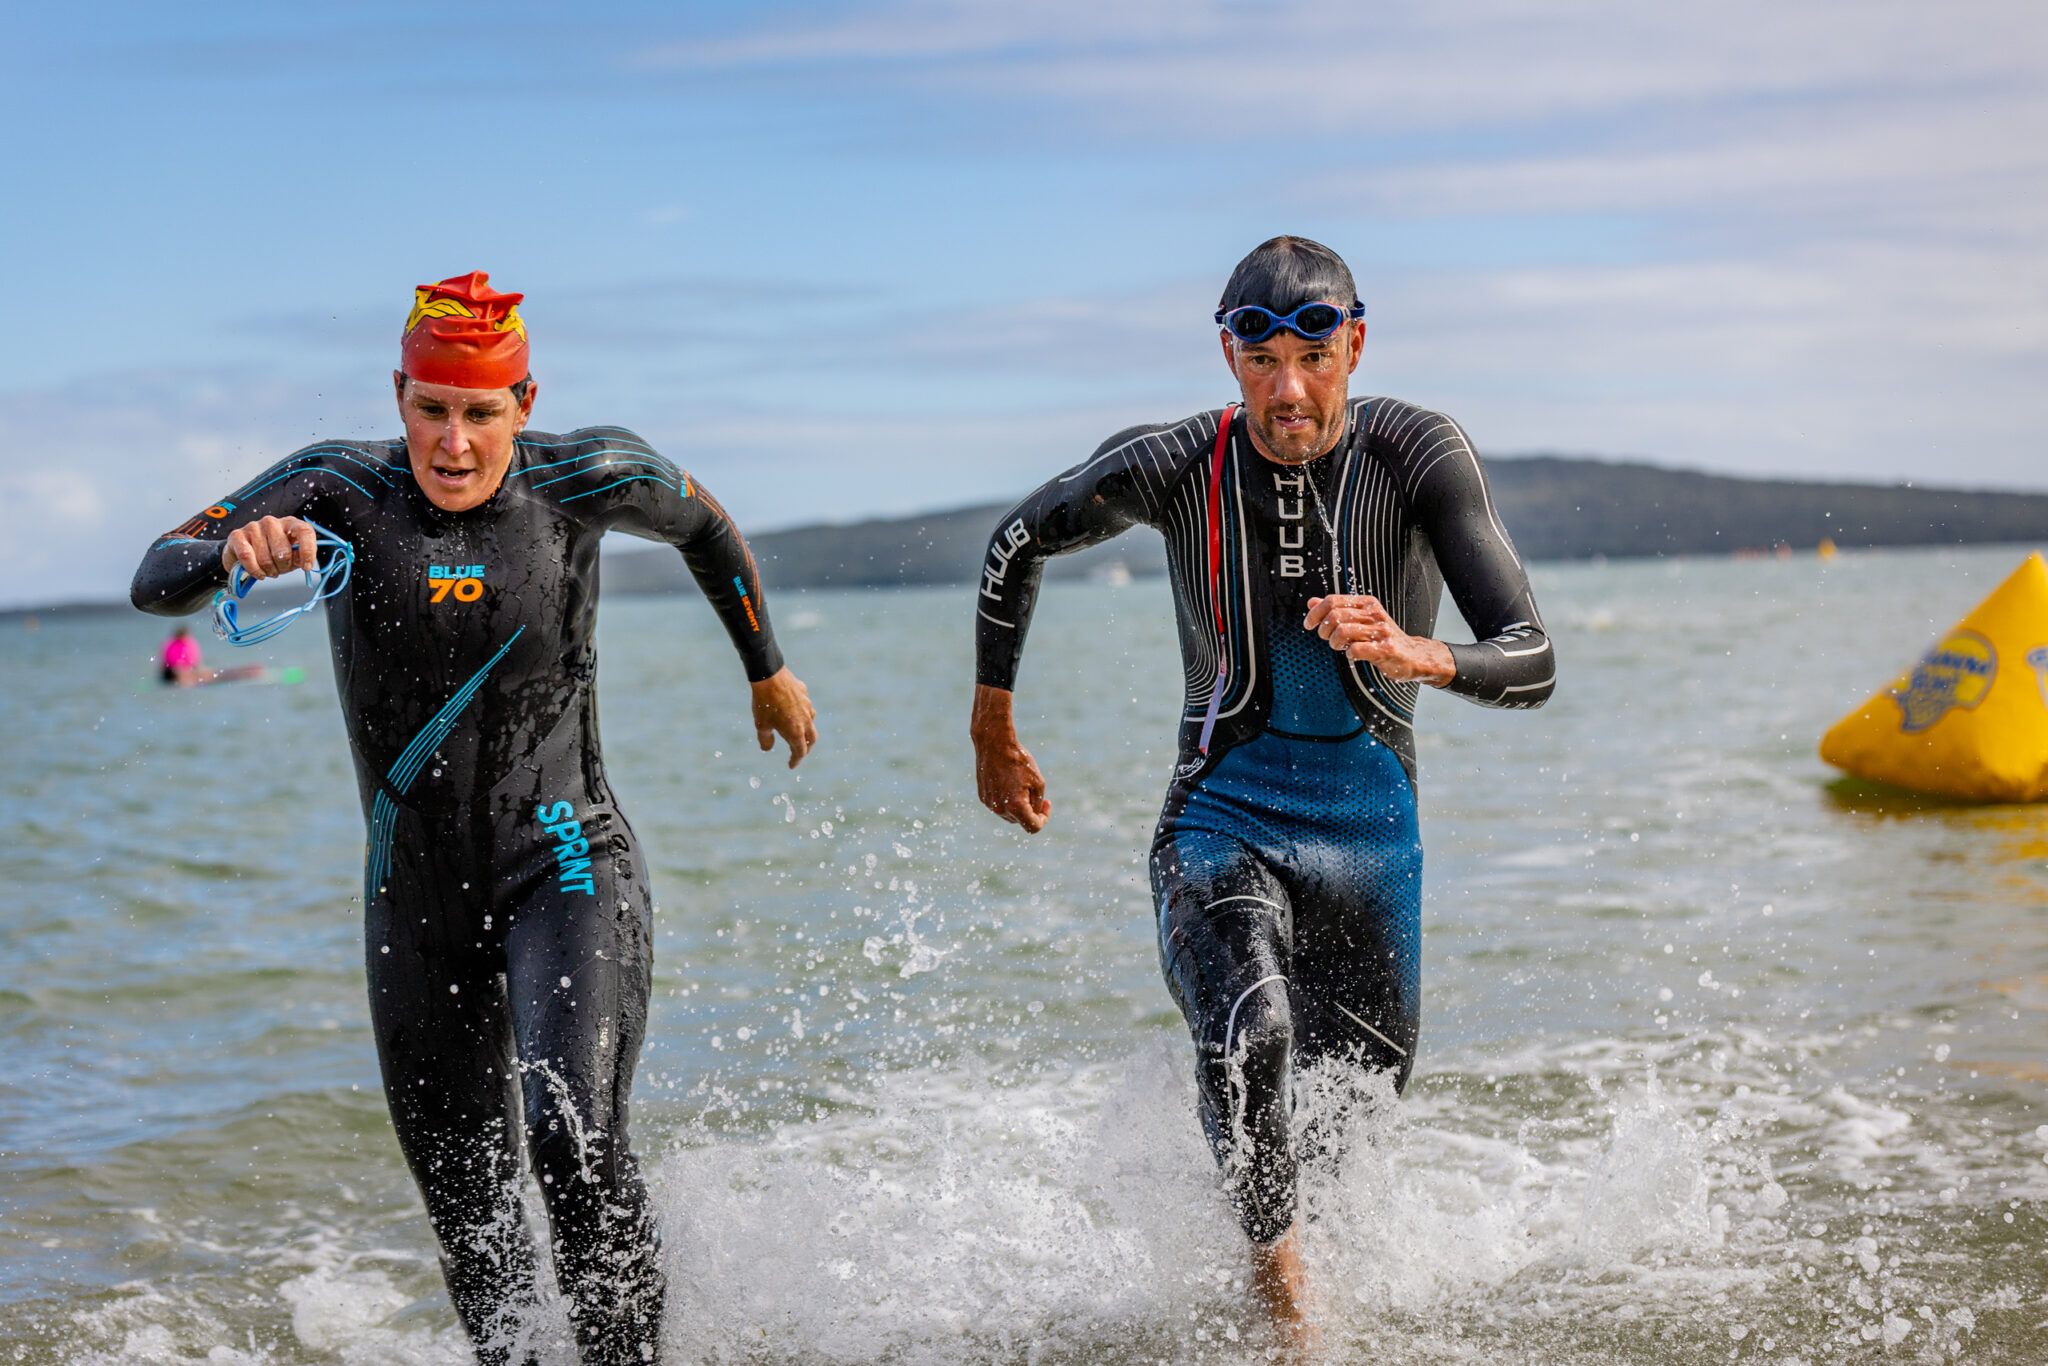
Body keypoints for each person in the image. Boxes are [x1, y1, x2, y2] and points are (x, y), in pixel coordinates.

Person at [131, 271, 818, 1365]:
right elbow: (153, 576)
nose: (453, 444)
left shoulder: (586, 473)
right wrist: (232, 551)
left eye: (481, 413)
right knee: (472, 1219)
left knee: (571, 1132)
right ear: (398, 393)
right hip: (410, 898)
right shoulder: (334, 487)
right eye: (431, 410)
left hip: (565, 865)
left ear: (524, 402)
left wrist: (766, 672)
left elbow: (707, 525)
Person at [969, 237, 1554, 1339]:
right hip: (1220, 816)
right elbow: (1012, 543)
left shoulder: (1418, 455)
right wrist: (991, 723)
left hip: (1372, 842)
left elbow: (1532, 655)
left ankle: (1293, 1281)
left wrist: (1425, 654)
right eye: (1259, 359)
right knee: (1255, 1034)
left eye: (1313, 355)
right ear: (1227, 355)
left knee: (1350, 1146)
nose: (1288, 389)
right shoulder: (1173, 464)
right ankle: (1279, 1313)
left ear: (1355, 344)